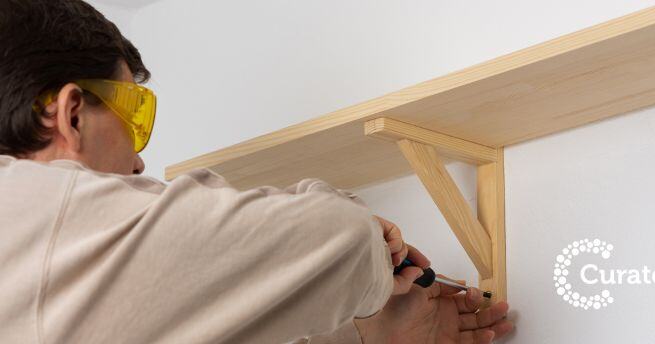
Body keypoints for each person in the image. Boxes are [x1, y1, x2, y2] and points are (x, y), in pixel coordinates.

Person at [0, 0, 514, 343]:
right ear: (69, 114)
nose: (138, 162)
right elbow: (343, 237)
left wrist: (367, 333)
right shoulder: (42, 215)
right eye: (135, 117)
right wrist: (374, 248)